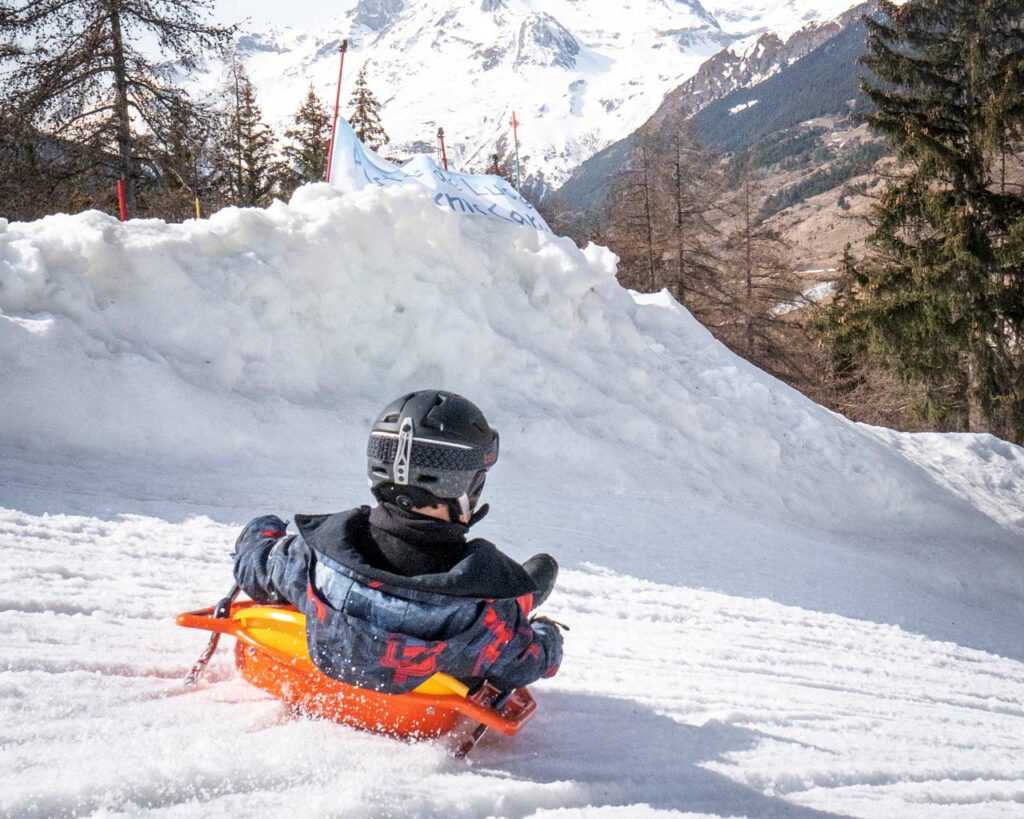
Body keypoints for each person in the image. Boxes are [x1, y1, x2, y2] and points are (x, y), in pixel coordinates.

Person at [232, 390, 563, 695]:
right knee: (502, 606)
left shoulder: (310, 559)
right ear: (466, 486)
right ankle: (521, 598)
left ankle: (519, 596)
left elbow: (251, 565)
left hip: (330, 658)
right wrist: (548, 634)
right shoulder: (483, 617)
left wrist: (264, 528)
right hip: (437, 664)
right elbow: (531, 662)